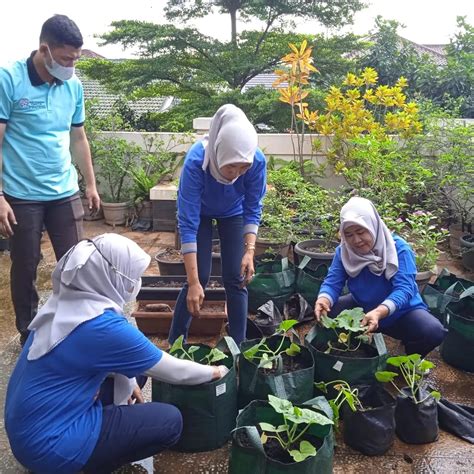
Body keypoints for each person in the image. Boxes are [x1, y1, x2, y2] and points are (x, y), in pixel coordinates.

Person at [5, 233, 228, 473]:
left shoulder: (66, 304)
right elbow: (175, 371)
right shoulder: (101, 326)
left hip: (29, 431)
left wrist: (127, 379)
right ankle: (88, 460)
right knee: (169, 421)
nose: (135, 283)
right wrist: (217, 370)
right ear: (108, 275)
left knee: (135, 375)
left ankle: (103, 427)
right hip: (51, 447)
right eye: (130, 276)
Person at [0, 15, 100, 346]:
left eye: (76, 58)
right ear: (45, 49)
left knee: (77, 263)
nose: (72, 65)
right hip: (21, 193)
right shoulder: (9, 79)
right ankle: (29, 333)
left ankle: (76, 325)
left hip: (63, 189)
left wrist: (90, 184)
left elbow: (79, 137)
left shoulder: (72, 85)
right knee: (26, 265)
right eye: (67, 58)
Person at [168, 104, 267, 346]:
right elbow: (188, 224)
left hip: (233, 212)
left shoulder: (256, 162)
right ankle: (175, 344)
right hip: (199, 215)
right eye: (231, 165)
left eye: (243, 167)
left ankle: (239, 347)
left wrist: (249, 251)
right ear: (219, 152)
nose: (236, 173)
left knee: (236, 276)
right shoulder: (196, 162)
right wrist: (193, 283)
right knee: (199, 278)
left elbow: (253, 207)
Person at [314, 196, 447, 357]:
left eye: (361, 231)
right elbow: (333, 281)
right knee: (326, 311)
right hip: (361, 306)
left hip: (401, 312)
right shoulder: (344, 251)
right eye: (348, 234)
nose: (356, 240)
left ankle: (409, 356)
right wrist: (324, 299)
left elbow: (404, 289)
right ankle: (354, 345)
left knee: (432, 331)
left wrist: (379, 312)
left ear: (373, 225)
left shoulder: (399, 249)